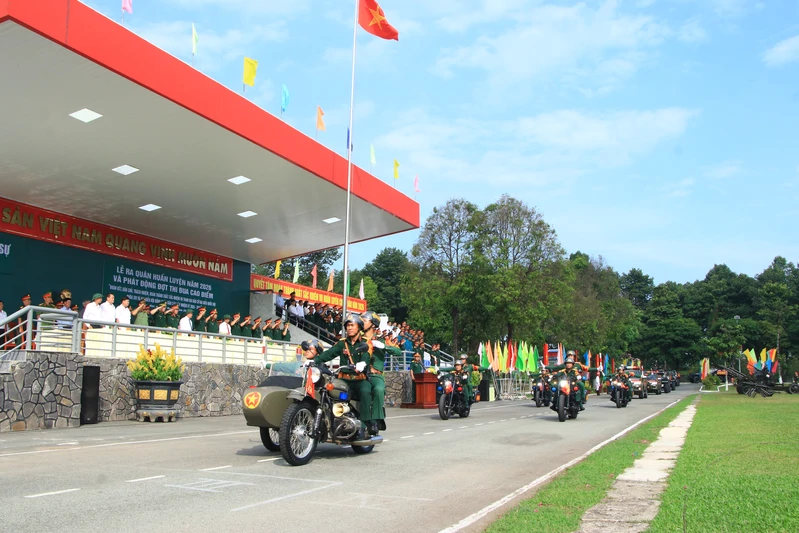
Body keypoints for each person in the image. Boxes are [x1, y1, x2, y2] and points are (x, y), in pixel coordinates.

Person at [303, 314, 374, 438]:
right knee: (327, 388)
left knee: (365, 391)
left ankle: (365, 424)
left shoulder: (366, 342)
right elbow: (329, 354)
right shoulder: (342, 343)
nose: (349, 328)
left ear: (359, 327)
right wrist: (314, 361)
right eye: (348, 326)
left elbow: (367, 354)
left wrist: (362, 363)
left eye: (352, 325)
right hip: (344, 379)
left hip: (360, 379)